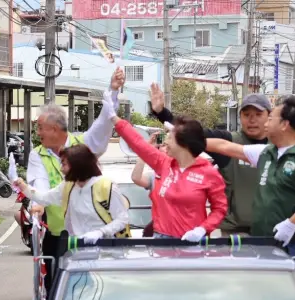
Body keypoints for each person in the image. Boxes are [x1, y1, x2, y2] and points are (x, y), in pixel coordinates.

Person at [26, 67, 126, 288]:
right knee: (57, 288)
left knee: (94, 286)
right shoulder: (37, 154)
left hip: (90, 235)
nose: (38, 133)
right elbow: (39, 184)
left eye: (40, 128)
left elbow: (102, 125)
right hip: (59, 234)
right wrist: (37, 204)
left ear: (54, 128)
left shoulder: (82, 145)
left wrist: (113, 91)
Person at [149, 83, 272, 236]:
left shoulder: (279, 145)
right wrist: (162, 112)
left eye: (258, 114)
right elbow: (191, 132)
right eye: (246, 115)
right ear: (240, 117)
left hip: (271, 229)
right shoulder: (229, 140)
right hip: (235, 231)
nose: (252, 120)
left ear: (269, 116)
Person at [103, 95, 228, 240]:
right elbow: (137, 142)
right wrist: (113, 116)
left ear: (183, 144)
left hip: (191, 243)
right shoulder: (163, 163)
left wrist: (202, 229)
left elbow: (220, 209)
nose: (165, 141)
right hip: (160, 242)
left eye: (170, 137)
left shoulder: (208, 172)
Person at [204, 95, 295, 255]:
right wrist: (187, 138)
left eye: (270, 118)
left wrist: (292, 223)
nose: (266, 123)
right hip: (262, 239)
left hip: (290, 241)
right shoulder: (266, 152)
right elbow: (224, 146)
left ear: (284, 124)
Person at [13, 145, 130, 244]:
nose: (61, 169)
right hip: (78, 251)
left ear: (77, 165)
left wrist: (101, 232)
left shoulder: (107, 186)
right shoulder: (68, 186)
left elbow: (122, 219)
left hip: (108, 252)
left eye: (64, 164)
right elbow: (44, 198)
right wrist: (22, 186)